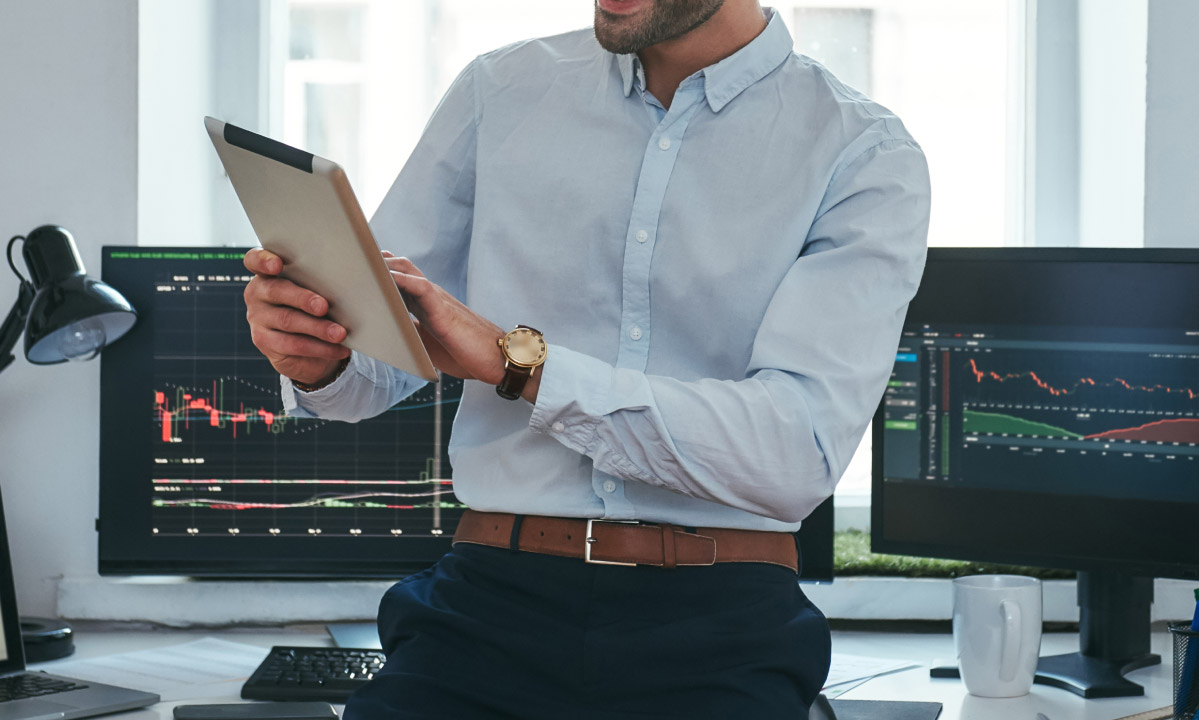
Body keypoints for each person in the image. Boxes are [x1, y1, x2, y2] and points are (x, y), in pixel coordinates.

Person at [242, 0, 929, 716]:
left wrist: (524, 368)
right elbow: (374, 366)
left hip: (720, 623)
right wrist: (316, 352)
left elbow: (795, 453)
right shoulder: (499, 90)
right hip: (485, 605)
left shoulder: (864, 153)